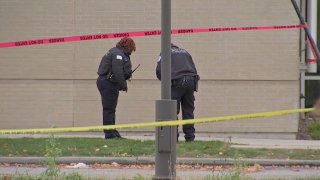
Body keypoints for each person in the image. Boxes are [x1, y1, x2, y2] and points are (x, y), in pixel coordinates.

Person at [156, 43, 200, 142]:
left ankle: (173, 137)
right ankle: (190, 137)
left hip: (177, 81)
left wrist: (164, 81)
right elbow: (193, 67)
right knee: (188, 110)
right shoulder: (185, 52)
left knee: (172, 110)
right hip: (191, 81)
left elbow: (159, 70)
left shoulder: (165, 52)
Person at [97, 37, 136, 139]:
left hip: (108, 83)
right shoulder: (117, 54)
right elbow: (117, 71)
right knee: (109, 109)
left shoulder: (116, 52)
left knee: (111, 109)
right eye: (131, 48)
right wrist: (123, 84)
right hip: (107, 83)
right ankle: (109, 134)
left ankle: (112, 131)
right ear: (128, 46)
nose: (131, 51)